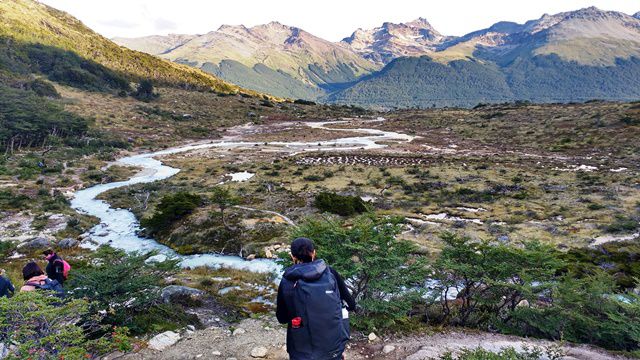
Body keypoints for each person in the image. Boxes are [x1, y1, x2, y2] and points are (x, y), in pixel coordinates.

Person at [276, 237, 356, 360]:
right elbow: (351, 304)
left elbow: (282, 318)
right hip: (332, 347)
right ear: (314, 252)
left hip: (301, 350)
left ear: (293, 257)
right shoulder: (331, 273)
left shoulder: (287, 281)